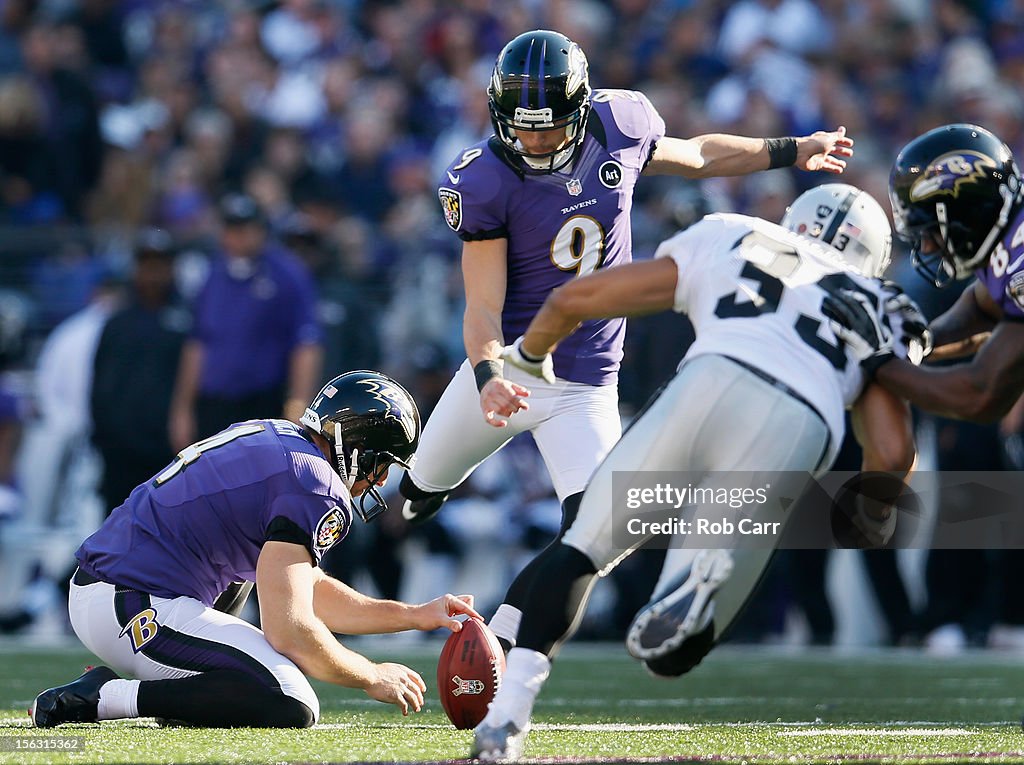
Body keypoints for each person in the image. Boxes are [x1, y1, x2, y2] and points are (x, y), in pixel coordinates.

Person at [399, 28, 856, 649]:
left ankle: (501, 636)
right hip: (512, 369)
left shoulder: (622, 124)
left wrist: (793, 148)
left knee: (602, 537)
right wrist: (488, 374)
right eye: (522, 126)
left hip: (587, 382)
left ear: (581, 109)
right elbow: (482, 304)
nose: (533, 140)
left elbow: (699, 156)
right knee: (414, 496)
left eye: (549, 126)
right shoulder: (483, 180)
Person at [467, 183, 924, 761]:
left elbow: (573, 300)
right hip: (795, 425)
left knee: (581, 546)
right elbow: (891, 448)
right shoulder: (877, 301)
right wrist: (875, 512)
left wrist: (531, 355)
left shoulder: (735, 232)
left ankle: (506, 722)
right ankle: (694, 585)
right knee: (672, 656)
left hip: (705, 381)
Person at [31, 370, 481, 729]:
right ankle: (103, 697)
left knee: (259, 606)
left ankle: (168, 693)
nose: (381, 480)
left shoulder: (280, 438)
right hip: (133, 602)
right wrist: (369, 674)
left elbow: (303, 587)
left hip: (121, 593)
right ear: (358, 448)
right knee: (288, 698)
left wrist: (413, 615)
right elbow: (290, 630)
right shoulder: (315, 485)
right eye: (382, 462)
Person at [827, 123, 1024, 421]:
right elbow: (984, 307)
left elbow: (979, 395)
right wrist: (916, 341)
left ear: (969, 214)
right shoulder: (1010, 235)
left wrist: (877, 361)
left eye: (933, 232)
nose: (929, 248)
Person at [168, 193, 324, 453]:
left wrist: (297, 408)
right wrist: (183, 408)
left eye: (245, 228)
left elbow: (306, 344)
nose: (238, 236)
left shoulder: (287, 274)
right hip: (214, 405)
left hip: (261, 404)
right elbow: (197, 344)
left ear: (260, 229)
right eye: (231, 228)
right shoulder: (212, 275)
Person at [90, 229, 189, 514]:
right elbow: (99, 388)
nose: (153, 273)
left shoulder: (187, 321)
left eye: (160, 264)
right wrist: (104, 439)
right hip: (120, 453)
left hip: (169, 451)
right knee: (117, 528)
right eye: (147, 264)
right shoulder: (117, 323)